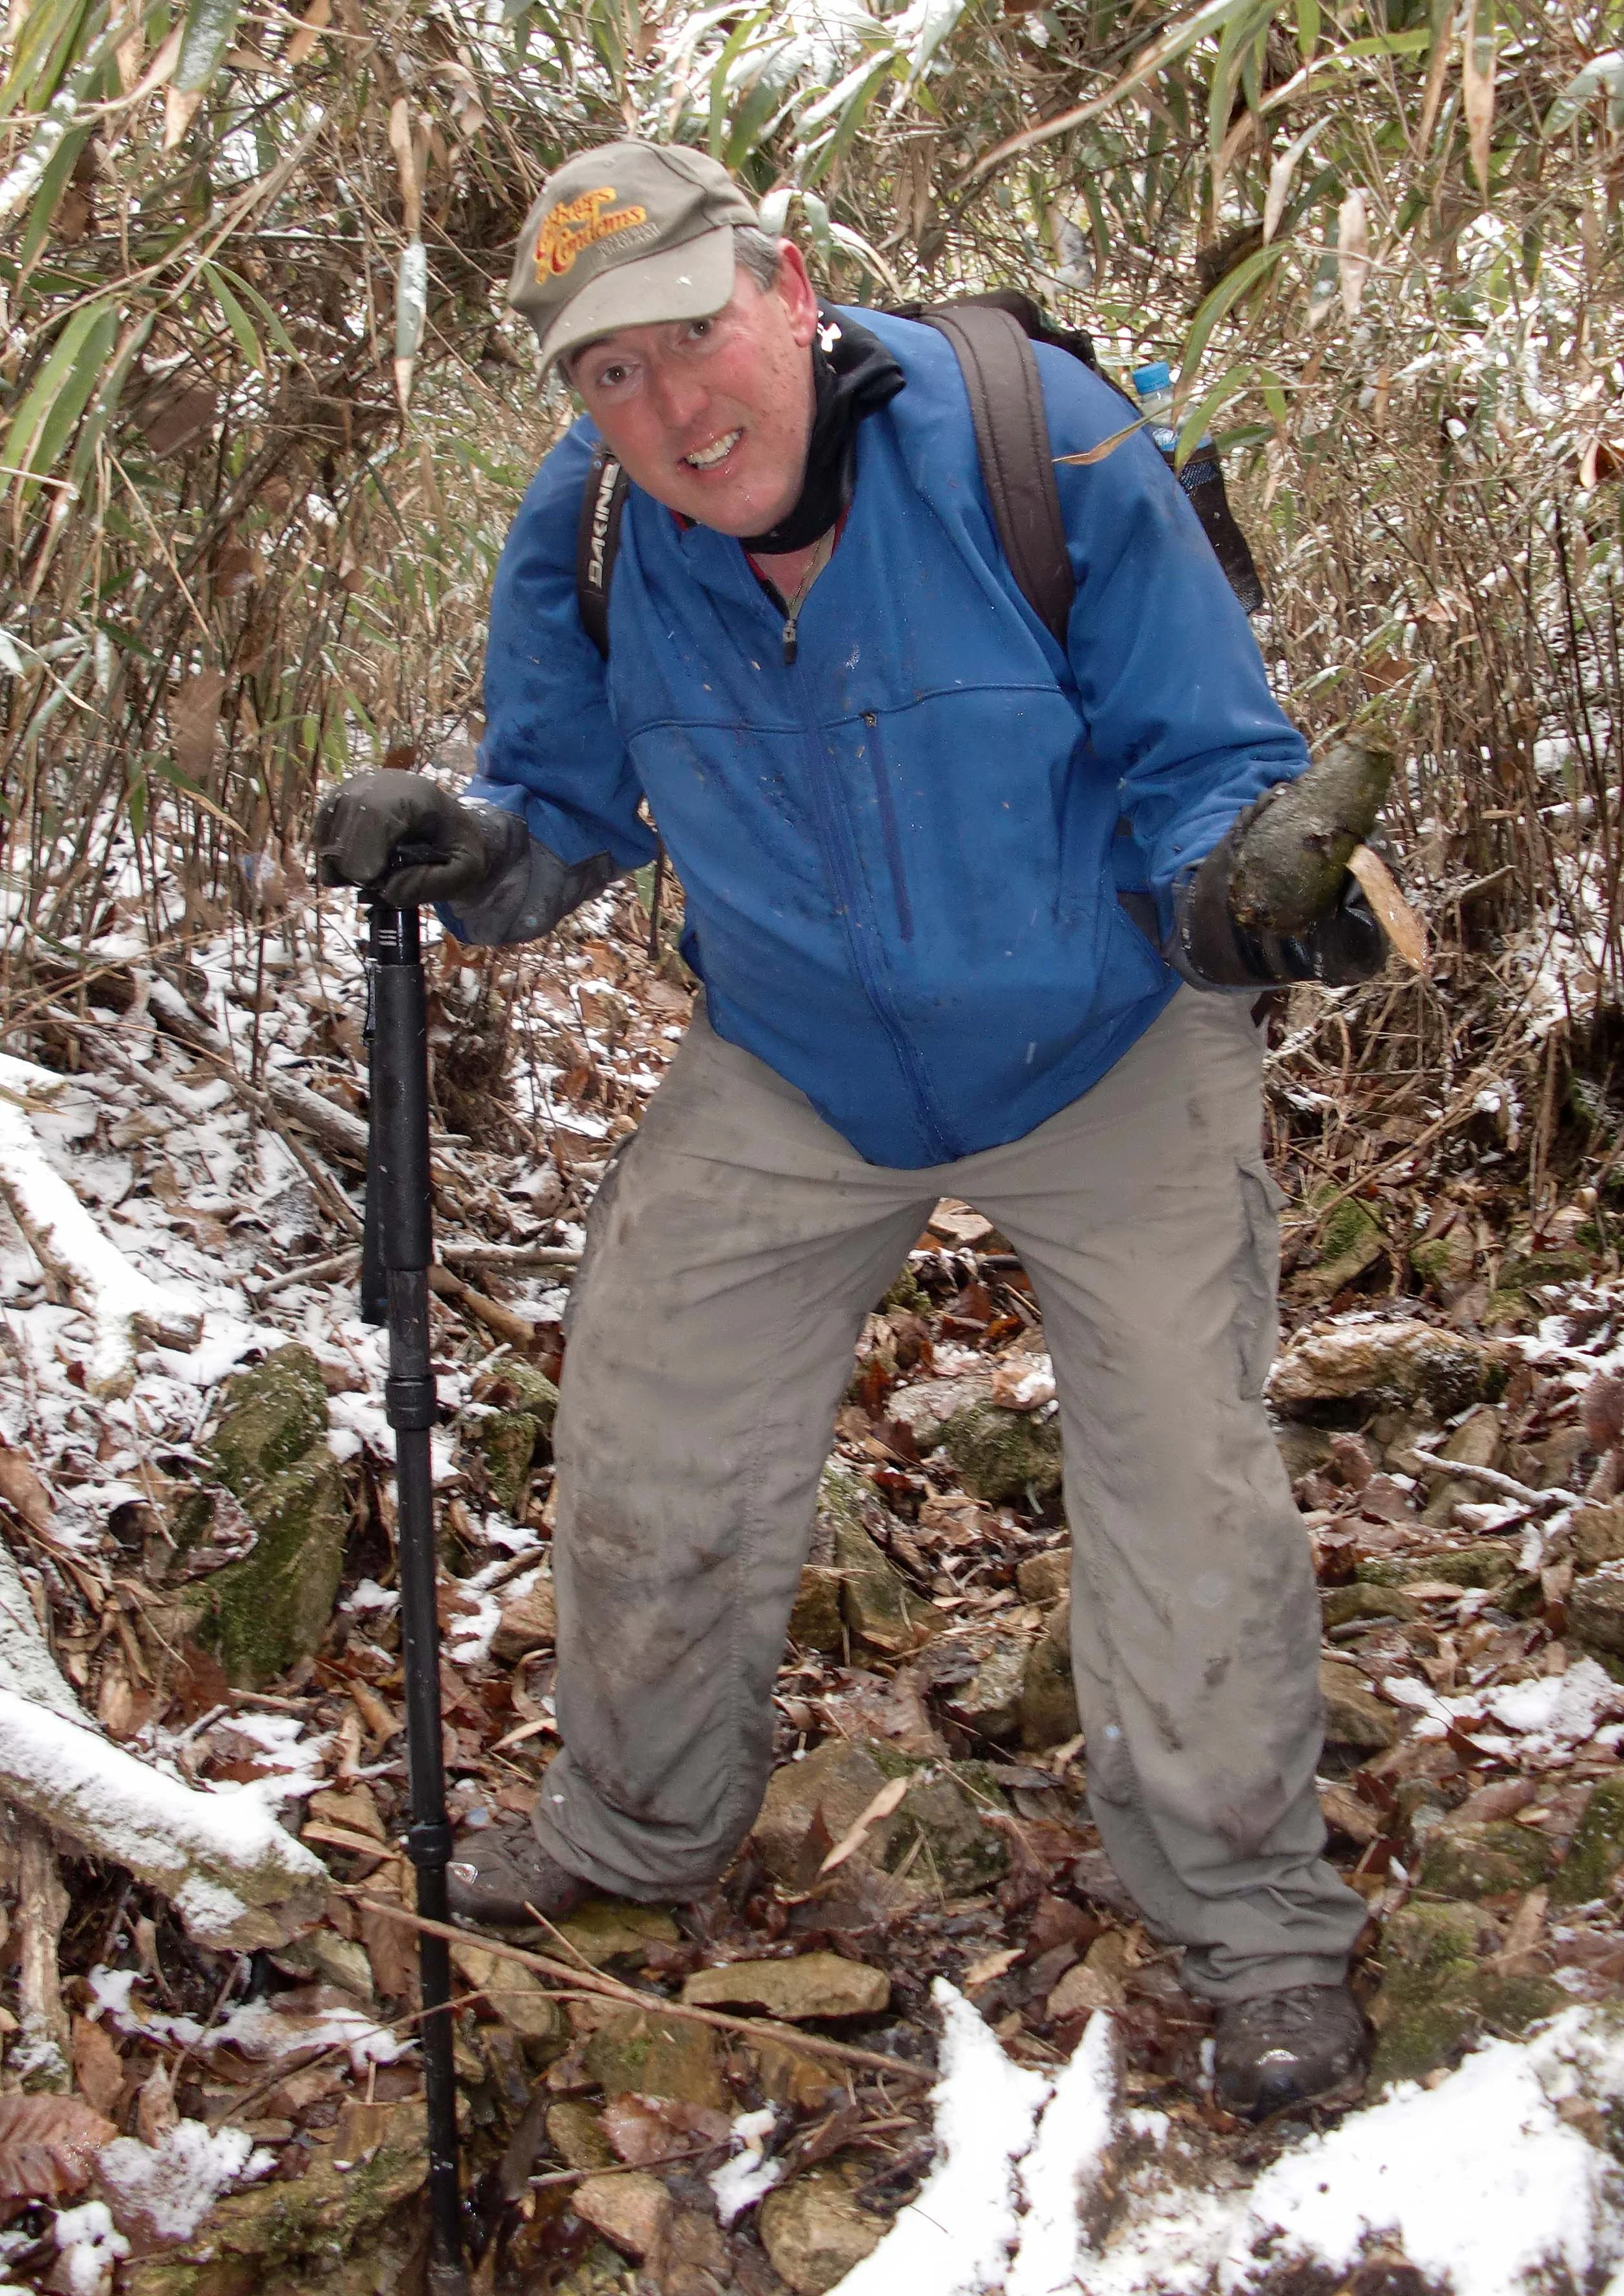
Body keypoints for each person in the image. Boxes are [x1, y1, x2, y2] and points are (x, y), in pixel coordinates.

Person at [316, 139, 1391, 2119]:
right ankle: (638, 1833)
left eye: (687, 336)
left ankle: (1253, 1922)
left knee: (1184, 1478)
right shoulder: (588, 531)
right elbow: (558, 812)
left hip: (1106, 1035)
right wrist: (461, 849)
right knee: (644, 1426)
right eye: (602, 376)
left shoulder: (1032, 442)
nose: (665, 407)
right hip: (798, 1055)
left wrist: (1251, 889)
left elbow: (1208, 761)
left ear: (787, 284)